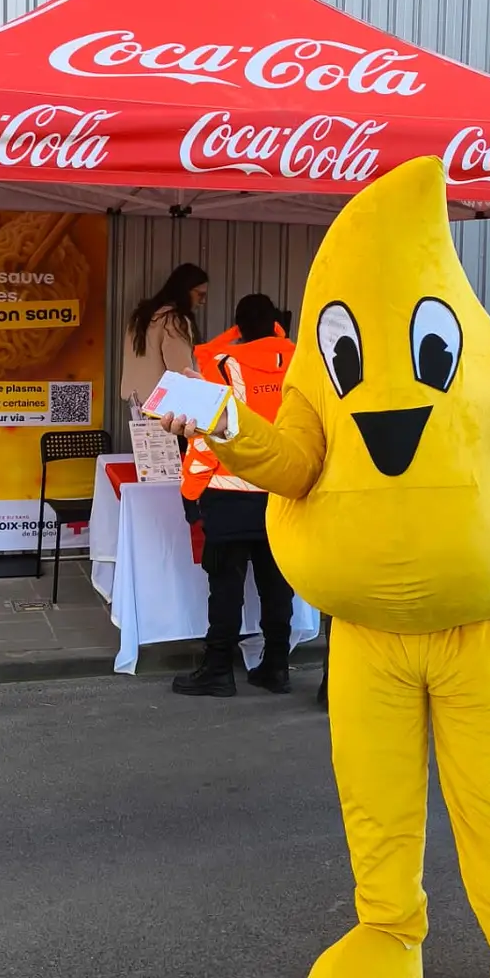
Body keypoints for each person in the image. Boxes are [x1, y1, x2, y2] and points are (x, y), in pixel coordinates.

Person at [161, 157, 490, 978]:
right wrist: (218, 422)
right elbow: (288, 460)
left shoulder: (487, 350)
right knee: (374, 800)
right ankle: (387, 927)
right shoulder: (313, 385)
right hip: (365, 639)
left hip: (474, 635)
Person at [172, 293, 296, 698]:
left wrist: (191, 490)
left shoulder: (220, 365)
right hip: (283, 494)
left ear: (238, 327)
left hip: (227, 495)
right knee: (277, 585)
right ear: (278, 323)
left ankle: (218, 669)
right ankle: (277, 666)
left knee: (225, 585)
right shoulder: (302, 364)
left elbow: (207, 438)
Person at [119, 263, 208, 413]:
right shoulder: (173, 320)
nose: (203, 301)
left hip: (137, 406)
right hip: (165, 410)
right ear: (185, 291)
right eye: (200, 294)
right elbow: (182, 373)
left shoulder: (140, 317)